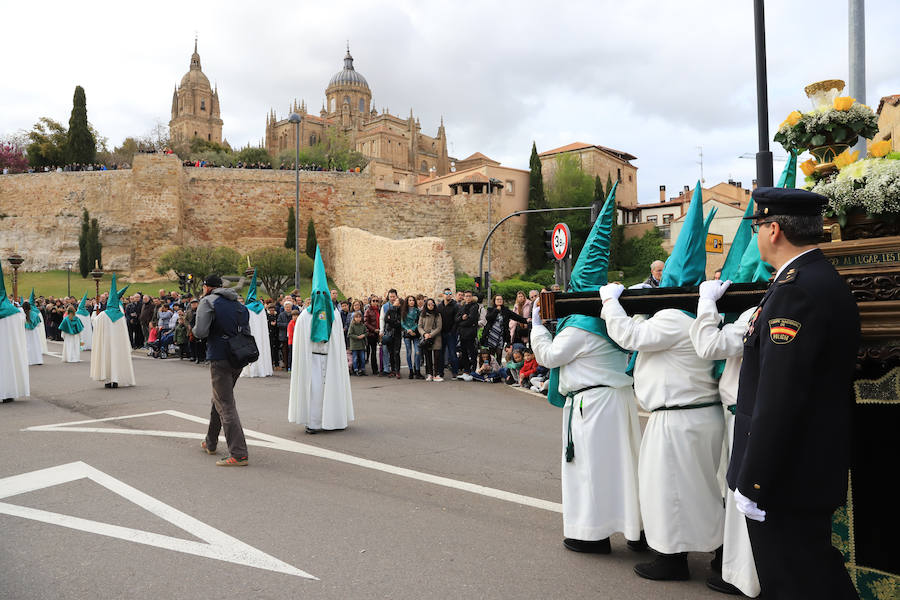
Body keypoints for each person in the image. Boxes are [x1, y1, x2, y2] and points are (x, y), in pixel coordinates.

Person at [728, 188, 860, 599]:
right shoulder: (810, 279)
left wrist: (756, 482)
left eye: (756, 227)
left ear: (773, 229)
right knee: (811, 575)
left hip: (786, 475)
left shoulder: (796, 289)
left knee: (796, 580)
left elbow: (780, 396)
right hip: (804, 467)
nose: (755, 236)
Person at [601, 185, 724, 581]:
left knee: (669, 490)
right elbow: (646, 333)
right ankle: (720, 551)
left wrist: (610, 303)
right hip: (696, 417)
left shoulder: (672, 318)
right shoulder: (688, 318)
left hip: (678, 421)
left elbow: (632, 338)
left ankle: (672, 559)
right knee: (699, 490)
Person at [533, 184, 644, 557]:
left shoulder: (580, 325)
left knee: (592, 471)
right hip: (618, 400)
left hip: (593, 407)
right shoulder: (613, 318)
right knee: (625, 468)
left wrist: (536, 325)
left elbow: (550, 357)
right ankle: (635, 529)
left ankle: (591, 534)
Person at [288, 247, 354, 433]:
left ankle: (334, 420)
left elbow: (338, 341)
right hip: (312, 359)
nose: (321, 298)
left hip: (330, 358)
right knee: (314, 391)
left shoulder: (334, 315)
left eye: (324, 294)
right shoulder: (304, 318)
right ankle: (314, 422)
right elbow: (300, 344)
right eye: (317, 294)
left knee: (332, 389)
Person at [192, 274, 250, 467]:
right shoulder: (239, 304)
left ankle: (239, 453)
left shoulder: (208, 302)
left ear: (207, 287)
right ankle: (211, 441)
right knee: (219, 398)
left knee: (225, 403)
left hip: (220, 355)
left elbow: (200, 331)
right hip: (239, 355)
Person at [90, 275, 136, 389]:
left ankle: (108, 380)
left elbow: (94, 323)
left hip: (106, 342)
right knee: (117, 358)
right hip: (118, 344)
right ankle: (115, 380)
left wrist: (95, 313)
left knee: (107, 359)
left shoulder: (102, 315)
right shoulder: (121, 316)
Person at [0, 263, 29, 403]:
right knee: (7, 363)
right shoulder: (14, 313)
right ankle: (8, 391)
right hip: (7, 348)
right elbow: (22, 321)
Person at [240, 270, 273, 378]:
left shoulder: (246, 308)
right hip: (262, 334)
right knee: (262, 347)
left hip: (251, 333)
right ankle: (264, 369)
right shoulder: (262, 309)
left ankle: (252, 370)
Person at [482, 294, 528, 363]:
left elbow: (516, 317)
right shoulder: (490, 309)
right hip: (492, 334)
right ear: (494, 301)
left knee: (499, 352)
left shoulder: (506, 310)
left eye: (501, 299)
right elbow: (488, 318)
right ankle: (492, 367)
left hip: (501, 334)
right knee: (491, 353)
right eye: (497, 299)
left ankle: (498, 367)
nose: (499, 301)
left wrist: (526, 320)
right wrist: (496, 310)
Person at [417, 297, 442, 381]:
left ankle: (436, 374)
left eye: (432, 304)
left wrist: (431, 334)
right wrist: (424, 334)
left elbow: (439, 327)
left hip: (436, 338)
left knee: (437, 358)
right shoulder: (422, 314)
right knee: (428, 357)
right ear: (426, 305)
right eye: (429, 304)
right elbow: (419, 326)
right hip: (426, 338)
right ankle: (429, 374)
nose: (431, 306)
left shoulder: (437, 314)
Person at [455, 290, 480, 375]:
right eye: (466, 296)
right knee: (464, 352)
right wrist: (462, 318)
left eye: (469, 296)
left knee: (472, 352)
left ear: (472, 297)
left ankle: (473, 369)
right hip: (462, 334)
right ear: (464, 297)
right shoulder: (461, 306)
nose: (468, 297)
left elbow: (471, 320)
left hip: (471, 334)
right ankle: (466, 369)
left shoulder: (475, 306)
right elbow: (456, 319)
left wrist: (461, 323)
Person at [436, 288, 459, 378]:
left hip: (451, 333)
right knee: (441, 354)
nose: (448, 295)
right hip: (441, 333)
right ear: (443, 294)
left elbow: (456, 320)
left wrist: (452, 331)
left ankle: (455, 372)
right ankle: (441, 372)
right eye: (446, 293)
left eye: (450, 293)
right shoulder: (439, 306)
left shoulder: (455, 306)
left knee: (452, 353)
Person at [401, 295, 422, 379]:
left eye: (413, 300)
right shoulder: (404, 311)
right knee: (409, 352)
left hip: (415, 333)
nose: (411, 301)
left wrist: (412, 329)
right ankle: (410, 370)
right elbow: (402, 323)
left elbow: (419, 322)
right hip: (407, 334)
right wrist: (408, 330)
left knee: (417, 352)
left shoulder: (418, 311)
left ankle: (417, 370)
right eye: (410, 300)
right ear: (407, 301)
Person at [383, 296, 403, 378]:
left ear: (400, 303)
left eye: (397, 300)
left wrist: (392, 321)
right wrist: (394, 322)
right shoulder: (390, 310)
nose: (395, 301)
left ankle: (397, 371)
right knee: (391, 353)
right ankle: (393, 370)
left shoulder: (401, 312)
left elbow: (399, 323)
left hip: (397, 335)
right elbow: (386, 319)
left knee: (396, 352)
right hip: (390, 333)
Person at [364, 296, 382, 376]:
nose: (375, 302)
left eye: (376, 301)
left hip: (379, 333)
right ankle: (374, 369)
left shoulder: (379, 310)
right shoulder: (368, 311)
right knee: (373, 352)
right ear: (370, 302)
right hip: (372, 334)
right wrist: (374, 329)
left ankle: (383, 367)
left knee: (382, 350)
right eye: (373, 301)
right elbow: (366, 322)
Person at [348, 311, 368, 375]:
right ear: (354, 318)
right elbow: (349, 334)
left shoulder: (363, 325)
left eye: (359, 317)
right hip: (354, 345)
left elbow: (366, 332)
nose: (358, 318)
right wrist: (357, 337)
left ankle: (362, 369)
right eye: (356, 317)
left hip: (361, 345)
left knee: (362, 358)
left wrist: (364, 335)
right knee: (355, 358)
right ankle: (356, 370)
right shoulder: (352, 325)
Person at [277, 299, 294, 371]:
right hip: (284, 336)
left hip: (292, 336)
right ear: (284, 308)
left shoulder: (293, 315)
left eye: (289, 307)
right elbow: (278, 324)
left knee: (291, 351)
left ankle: (291, 365)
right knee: (285, 352)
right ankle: (286, 366)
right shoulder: (281, 315)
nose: (288, 308)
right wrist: (288, 325)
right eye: (286, 307)